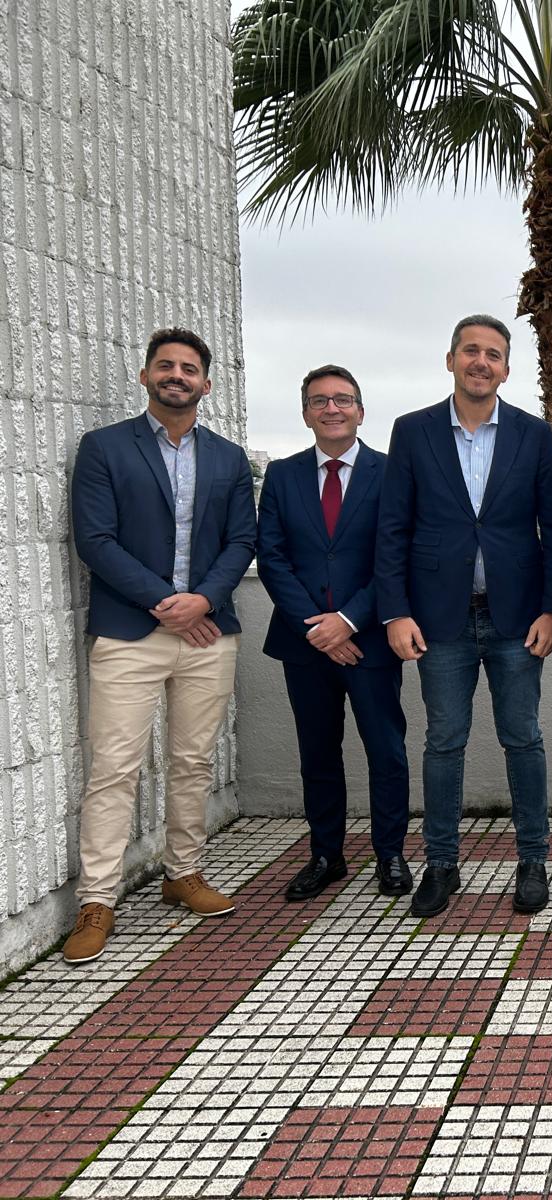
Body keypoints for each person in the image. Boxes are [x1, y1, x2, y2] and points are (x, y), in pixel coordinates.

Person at [63, 328, 257, 964]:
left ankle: (183, 875)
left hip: (206, 632)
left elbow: (240, 541)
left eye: (190, 368)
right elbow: (95, 539)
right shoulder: (104, 448)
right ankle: (98, 900)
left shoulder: (228, 459)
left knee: (192, 760)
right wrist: (165, 604)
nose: (178, 375)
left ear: (206, 382)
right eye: (166, 366)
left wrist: (201, 601)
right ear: (146, 376)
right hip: (130, 633)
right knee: (115, 767)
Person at [375, 315, 552, 919]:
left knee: (523, 739)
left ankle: (532, 860)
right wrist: (395, 614)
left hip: (517, 618)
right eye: (471, 351)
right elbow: (393, 531)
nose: (481, 362)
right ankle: (441, 865)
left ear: (507, 368)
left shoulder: (534, 435)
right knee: (443, 742)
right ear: (451, 358)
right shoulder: (413, 431)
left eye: (493, 354)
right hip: (438, 620)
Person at [256, 365, 411, 901]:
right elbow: (272, 558)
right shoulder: (281, 475)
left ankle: (390, 855)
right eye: (319, 401)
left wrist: (347, 620)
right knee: (318, 752)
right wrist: (317, 628)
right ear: (305, 414)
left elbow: (395, 557)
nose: (331, 408)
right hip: (304, 643)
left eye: (343, 399)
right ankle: (326, 855)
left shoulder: (390, 473)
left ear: (361, 411)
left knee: (385, 750)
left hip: (368, 639)